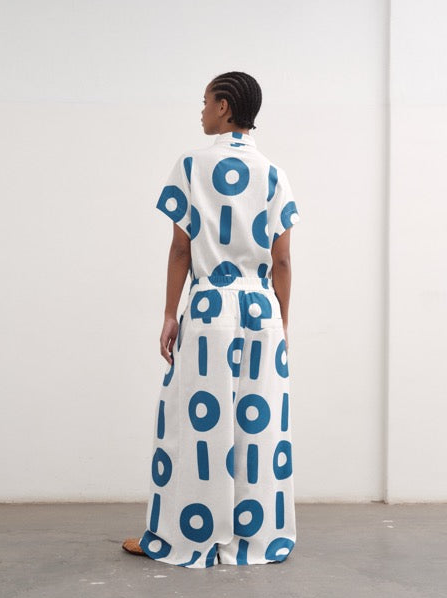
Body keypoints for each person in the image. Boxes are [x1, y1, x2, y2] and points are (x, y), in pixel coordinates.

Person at [122, 71, 300, 568]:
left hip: (209, 309)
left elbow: (181, 249)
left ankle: (184, 537)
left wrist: (168, 314)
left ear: (224, 107)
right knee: (257, 426)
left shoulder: (191, 165)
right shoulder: (274, 174)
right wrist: (283, 322)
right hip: (261, 309)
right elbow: (282, 260)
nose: (201, 111)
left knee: (197, 426)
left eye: (205, 102)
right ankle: (256, 540)